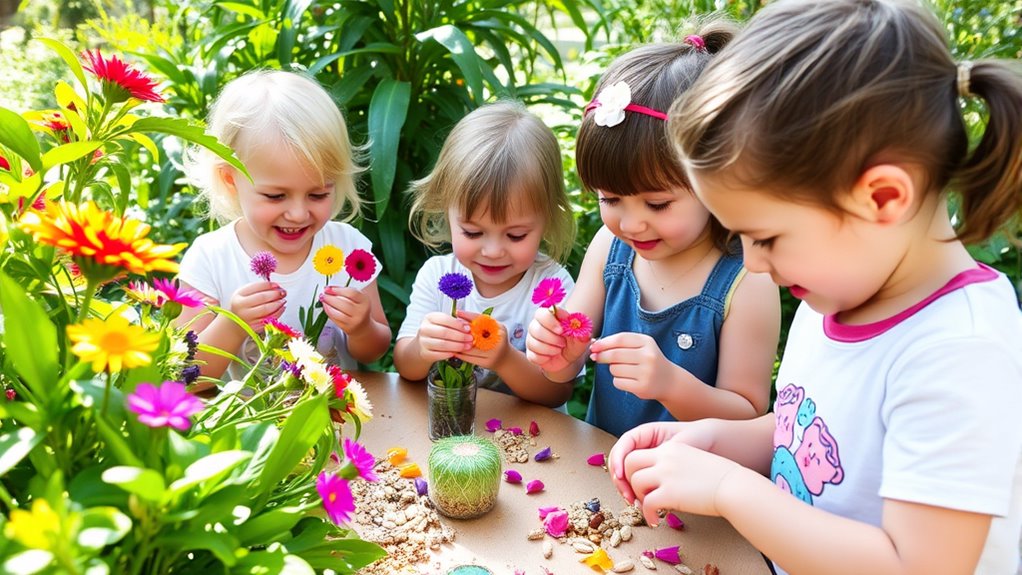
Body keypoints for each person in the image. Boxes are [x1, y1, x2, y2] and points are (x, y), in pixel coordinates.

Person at [609, 1, 1022, 573]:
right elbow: (813, 430)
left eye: (768, 237)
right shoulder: (841, 289)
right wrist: (712, 442)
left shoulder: (960, 350)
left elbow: (917, 565)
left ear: (881, 199)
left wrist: (729, 488)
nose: (754, 264)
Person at [525, 25, 781, 437]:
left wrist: (670, 384)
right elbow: (564, 370)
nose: (631, 223)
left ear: (715, 178)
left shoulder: (747, 280)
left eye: (657, 204)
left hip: (692, 487)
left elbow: (748, 416)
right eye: (610, 200)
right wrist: (556, 355)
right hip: (601, 477)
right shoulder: (611, 248)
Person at [177, 70, 391, 379]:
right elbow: (183, 375)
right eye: (276, 196)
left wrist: (362, 327)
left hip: (332, 418)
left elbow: (375, 349)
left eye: (318, 194)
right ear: (230, 179)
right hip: (245, 425)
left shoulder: (347, 248)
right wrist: (232, 323)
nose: (298, 214)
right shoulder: (211, 259)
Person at [393, 101, 577, 408]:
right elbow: (405, 366)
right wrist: (423, 348)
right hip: (448, 430)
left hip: (533, 440)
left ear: (547, 219)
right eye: (472, 232)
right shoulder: (438, 276)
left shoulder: (551, 287)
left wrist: (505, 359)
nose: (492, 252)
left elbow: (558, 392)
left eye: (516, 235)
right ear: (446, 211)